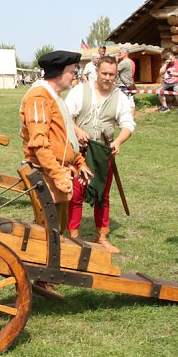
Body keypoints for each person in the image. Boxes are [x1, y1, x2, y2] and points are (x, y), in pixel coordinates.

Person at [65, 55, 135, 253]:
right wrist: (77, 132)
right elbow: (66, 115)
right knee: (76, 194)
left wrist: (118, 141)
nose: (107, 77)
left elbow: (128, 124)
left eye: (111, 74)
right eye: (104, 73)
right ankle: (74, 238)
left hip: (103, 152)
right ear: (97, 72)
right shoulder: (80, 91)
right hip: (79, 152)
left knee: (102, 195)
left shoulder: (120, 97)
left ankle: (101, 237)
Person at [19, 50, 92, 234]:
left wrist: (78, 162)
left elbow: (65, 138)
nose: (74, 76)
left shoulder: (54, 97)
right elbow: (39, 143)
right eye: (72, 71)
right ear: (59, 72)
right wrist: (58, 175)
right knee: (48, 236)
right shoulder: (39, 98)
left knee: (58, 234)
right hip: (46, 176)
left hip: (57, 175)